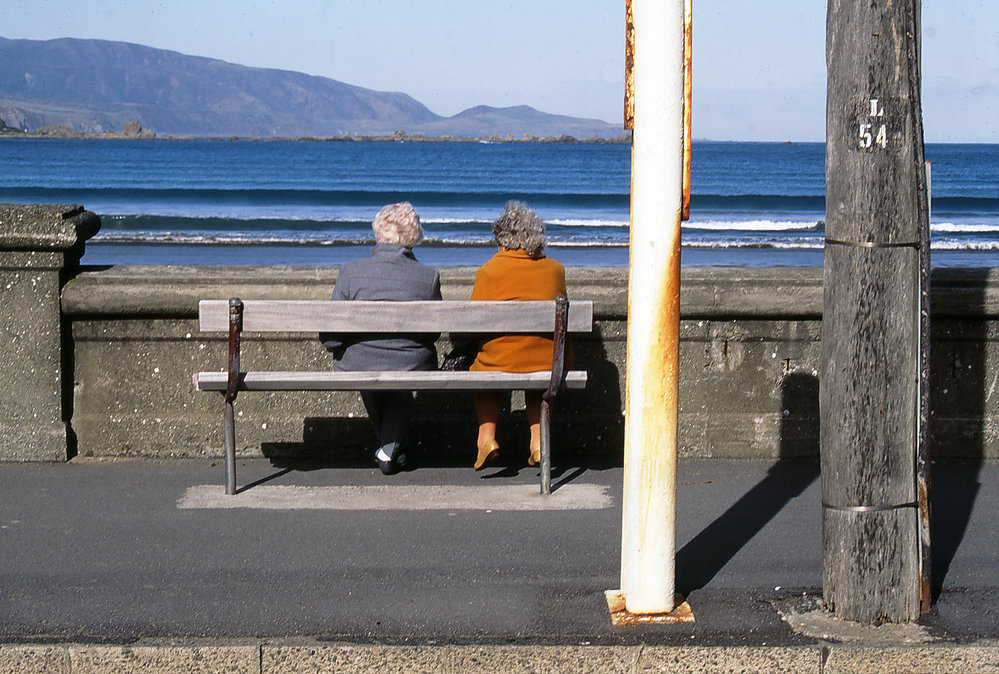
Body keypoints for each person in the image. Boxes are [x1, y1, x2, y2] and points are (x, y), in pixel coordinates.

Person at [320, 202, 442, 475]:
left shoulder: (350, 272)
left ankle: (388, 450)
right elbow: (433, 332)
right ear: (414, 236)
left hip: (359, 362)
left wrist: (336, 347)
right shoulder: (429, 277)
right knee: (399, 378)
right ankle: (393, 449)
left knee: (369, 366)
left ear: (378, 232)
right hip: (412, 363)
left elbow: (331, 333)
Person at [468, 200, 569, 471]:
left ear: (502, 239)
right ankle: (538, 444)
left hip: (500, 361)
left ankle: (486, 440)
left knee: (486, 368)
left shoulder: (489, 270)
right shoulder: (555, 269)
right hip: (547, 363)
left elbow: (473, 324)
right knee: (537, 371)